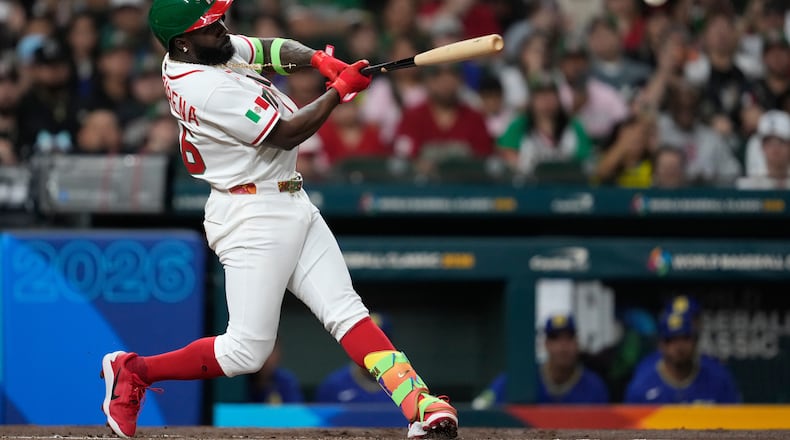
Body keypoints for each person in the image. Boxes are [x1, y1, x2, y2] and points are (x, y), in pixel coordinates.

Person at [99, 2, 458, 440]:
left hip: (287, 196)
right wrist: (338, 91)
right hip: (251, 213)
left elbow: (268, 48)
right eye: (210, 26)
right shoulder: (205, 87)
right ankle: (133, 371)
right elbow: (285, 131)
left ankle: (418, 403)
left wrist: (321, 60)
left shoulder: (204, 50)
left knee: (347, 311)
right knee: (245, 351)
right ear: (183, 43)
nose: (223, 30)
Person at [472, 314, 609, 408]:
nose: (563, 346)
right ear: (546, 344)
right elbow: (480, 406)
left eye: (569, 338)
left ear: (577, 342)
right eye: (555, 338)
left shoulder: (594, 385)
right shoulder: (520, 378)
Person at [625, 309, 741, 404]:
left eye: (685, 338)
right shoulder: (642, 385)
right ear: (661, 345)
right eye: (671, 340)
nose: (679, 346)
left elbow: (735, 422)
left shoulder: (718, 379)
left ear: (695, 341)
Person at [314, 312, 393, 404]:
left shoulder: (407, 384)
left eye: (378, 341)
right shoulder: (334, 385)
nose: (371, 347)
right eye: (365, 340)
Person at [247, 339, 304, 404]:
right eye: (260, 349)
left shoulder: (286, 381)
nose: (266, 356)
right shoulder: (239, 380)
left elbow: (294, 411)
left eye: (271, 350)